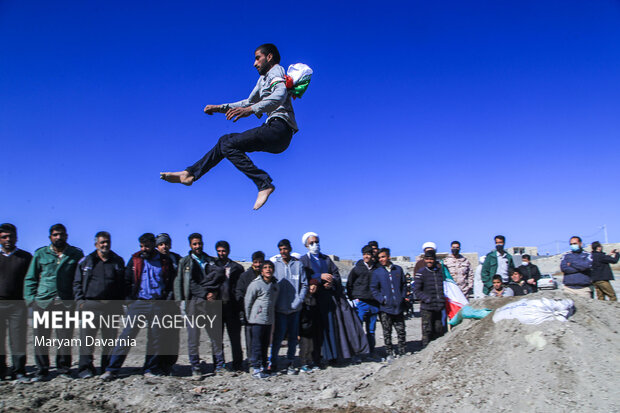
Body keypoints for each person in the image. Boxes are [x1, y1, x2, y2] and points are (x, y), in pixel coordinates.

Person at [160, 43, 298, 210]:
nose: (254, 64)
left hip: (280, 129)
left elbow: (279, 95)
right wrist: (220, 108)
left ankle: (263, 183)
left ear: (269, 57)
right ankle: (189, 174)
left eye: (257, 58)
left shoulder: (276, 71)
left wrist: (250, 110)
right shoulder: (262, 80)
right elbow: (248, 101)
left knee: (227, 143)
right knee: (225, 141)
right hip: (276, 134)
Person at [101, 233, 175, 381]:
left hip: (158, 303)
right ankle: (112, 369)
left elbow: (170, 282)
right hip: (139, 303)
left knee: (155, 339)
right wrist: (129, 301)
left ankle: (150, 368)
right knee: (126, 336)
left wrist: (166, 299)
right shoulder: (135, 259)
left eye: (147, 246)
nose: (144, 249)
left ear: (153, 245)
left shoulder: (164, 261)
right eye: (141, 246)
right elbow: (126, 281)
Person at [24, 223, 83, 382]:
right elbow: (31, 278)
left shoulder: (75, 254)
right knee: (41, 338)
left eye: (62, 234)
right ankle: (42, 370)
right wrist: (31, 300)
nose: (59, 237)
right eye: (56, 234)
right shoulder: (41, 254)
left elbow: (79, 279)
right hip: (43, 303)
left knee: (64, 339)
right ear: (50, 237)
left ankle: (64, 369)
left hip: (65, 303)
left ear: (67, 236)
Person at [73, 231, 125, 378]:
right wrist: (80, 302)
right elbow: (77, 283)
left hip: (111, 306)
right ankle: (85, 369)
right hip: (91, 305)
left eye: (107, 241)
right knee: (86, 340)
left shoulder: (117, 261)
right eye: (102, 242)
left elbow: (122, 284)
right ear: (96, 244)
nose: (105, 244)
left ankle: (106, 368)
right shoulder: (86, 261)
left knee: (109, 340)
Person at [174, 233, 225, 377]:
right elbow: (183, 282)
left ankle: (220, 365)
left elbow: (219, 278)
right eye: (194, 244)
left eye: (199, 243)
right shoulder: (185, 262)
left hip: (210, 304)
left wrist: (213, 293)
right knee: (193, 337)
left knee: (215, 336)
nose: (197, 246)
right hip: (193, 304)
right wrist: (182, 300)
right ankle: (195, 366)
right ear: (190, 245)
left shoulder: (210, 260)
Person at [299, 232, 342, 364]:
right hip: (312, 301)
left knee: (329, 327)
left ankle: (332, 356)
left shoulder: (326, 259)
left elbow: (336, 274)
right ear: (306, 245)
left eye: (316, 242)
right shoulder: (303, 260)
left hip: (326, 300)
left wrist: (331, 282)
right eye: (311, 243)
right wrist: (319, 277)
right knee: (315, 331)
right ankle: (316, 358)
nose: (315, 245)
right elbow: (304, 276)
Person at [270, 239, 308, 375]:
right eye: (280, 249)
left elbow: (304, 284)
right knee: (278, 337)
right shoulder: (275, 266)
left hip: (295, 309)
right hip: (280, 309)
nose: (283, 252)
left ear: (290, 249)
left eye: (285, 249)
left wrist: (299, 300)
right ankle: (273, 362)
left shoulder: (298, 265)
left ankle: (290, 361)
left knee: (293, 337)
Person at [0, 223, 31, 381]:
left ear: (16, 237)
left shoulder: (25, 257)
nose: (8, 239)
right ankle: (1, 371)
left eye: (11, 236)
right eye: (4, 237)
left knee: (18, 339)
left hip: (18, 304)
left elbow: (32, 280)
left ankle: (19, 371)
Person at [371, 248, 408, 360]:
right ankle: (389, 352)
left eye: (383, 257)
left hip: (398, 307)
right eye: (379, 257)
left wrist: (402, 297)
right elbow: (374, 288)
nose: (381, 259)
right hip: (385, 308)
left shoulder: (398, 270)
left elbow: (403, 285)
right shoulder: (377, 272)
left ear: (388, 257)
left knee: (401, 330)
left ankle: (402, 351)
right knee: (387, 332)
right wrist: (382, 299)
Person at [244, 261, 279, 379]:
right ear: (261, 270)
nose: (268, 270)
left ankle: (264, 366)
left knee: (265, 345)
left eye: (270, 267)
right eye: (265, 268)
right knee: (257, 345)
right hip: (257, 319)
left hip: (268, 319)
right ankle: (256, 368)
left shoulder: (275, 284)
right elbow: (248, 302)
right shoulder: (255, 284)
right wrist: (250, 318)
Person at [214, 240, 245, 372]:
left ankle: (237, 364)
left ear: (228, 251)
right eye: (219, 251)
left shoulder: (237, 268)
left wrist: (239, 306)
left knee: (235, 338)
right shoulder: (212, 266)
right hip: (216, 307)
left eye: (224, 251)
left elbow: (240, 288)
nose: (221, 253)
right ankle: (219, 364)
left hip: (232, 307)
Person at [154, 233, 182, 375]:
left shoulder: (176, 259)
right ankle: (156, 364)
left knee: (172, 335)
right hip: (157, 304)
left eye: (166, 244)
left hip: (173, 303)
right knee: (157, 335)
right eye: (161, 244)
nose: (164, 246)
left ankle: (169, 364)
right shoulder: (152, 259)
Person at [347, 245, 379, 358]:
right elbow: (349, 284)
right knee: (358, 329)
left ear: (372, 256)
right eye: (364, 254)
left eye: (368, 254)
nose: (366, 256)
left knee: (371, 330)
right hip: (361, 303)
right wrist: (354, 299)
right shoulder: (357, 269)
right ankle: (358, 352)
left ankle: (371, 351)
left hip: (374, 303)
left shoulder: (377, 269)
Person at [235, 251, 265, 365]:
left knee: (262, 336)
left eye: (260, 262)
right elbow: (239, 292)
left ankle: (262, 359)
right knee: (250, 336)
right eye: (256, 262)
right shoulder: (245, 276)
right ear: (252, 262)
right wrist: (245, 308)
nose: (258, 264)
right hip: (249, 312)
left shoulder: (267, 275)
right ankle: (251, 360)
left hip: (264, 312)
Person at [413, 250, 446, 348]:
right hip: (427, 307)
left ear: (434, 260)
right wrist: (426, 299)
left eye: (431, 259)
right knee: (427, 330)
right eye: (427, 259)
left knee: (438, 329)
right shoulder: (421, 273)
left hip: (439, 307)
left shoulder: (440, 272)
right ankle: (425, 350)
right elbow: (416, 290)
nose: (429, 261)